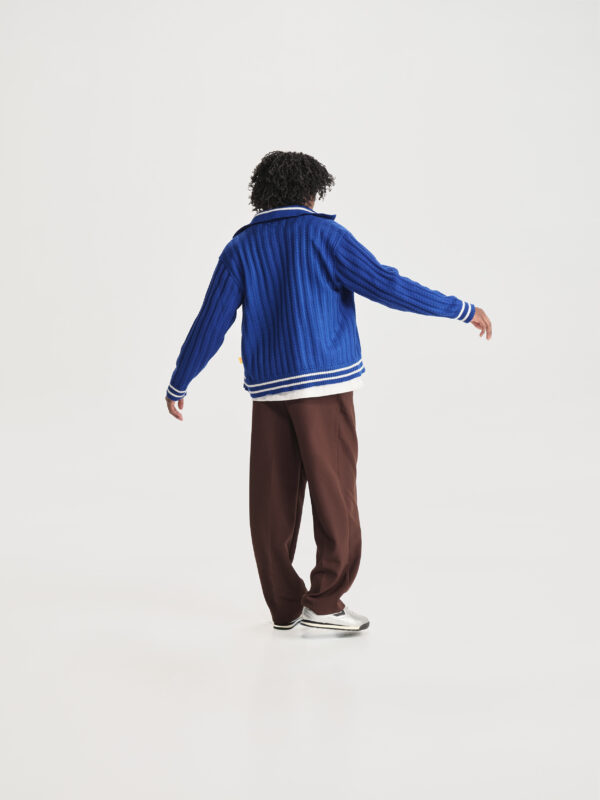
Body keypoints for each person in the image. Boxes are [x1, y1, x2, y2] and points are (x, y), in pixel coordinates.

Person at [165, 150, 492, 633]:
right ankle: (324, 603)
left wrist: (181, 379)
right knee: (335, 493)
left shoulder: (240, 247)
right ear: (311, 192)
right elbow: (386, 285)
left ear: (263, 194)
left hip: (269, 391)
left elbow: (210, 321)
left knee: (271, 502)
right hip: (325, 385)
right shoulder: (326, 236)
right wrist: (459, 309)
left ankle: (284, 608)